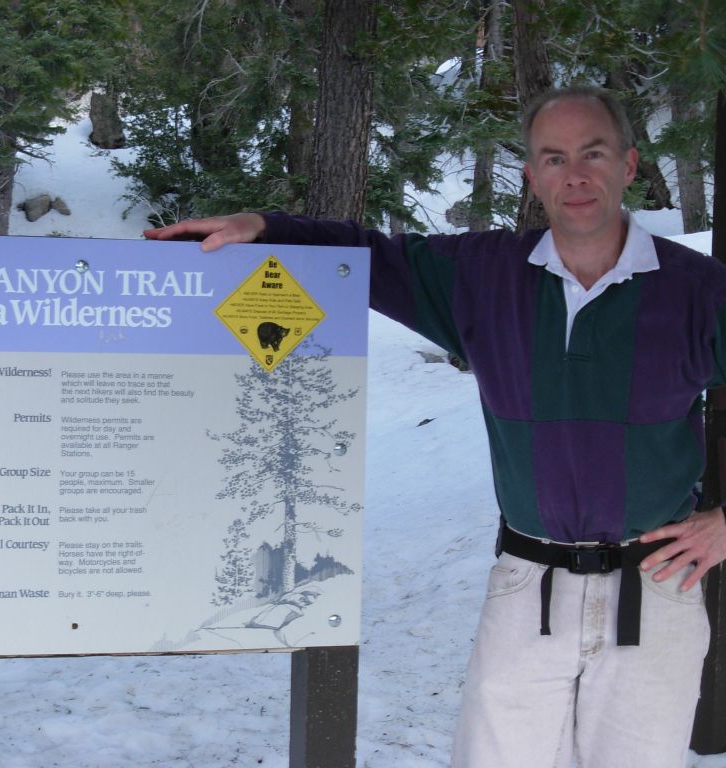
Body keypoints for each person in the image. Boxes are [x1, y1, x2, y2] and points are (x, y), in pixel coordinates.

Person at [144, 85, 726, 768]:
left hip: (655, 589)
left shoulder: (698, 290)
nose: (575, 175)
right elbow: (368, 257)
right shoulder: (485, 277)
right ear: (532, 175)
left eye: (593, 153)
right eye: (553, 157)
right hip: (526, 586)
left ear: (628, 165)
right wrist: (261, 228)